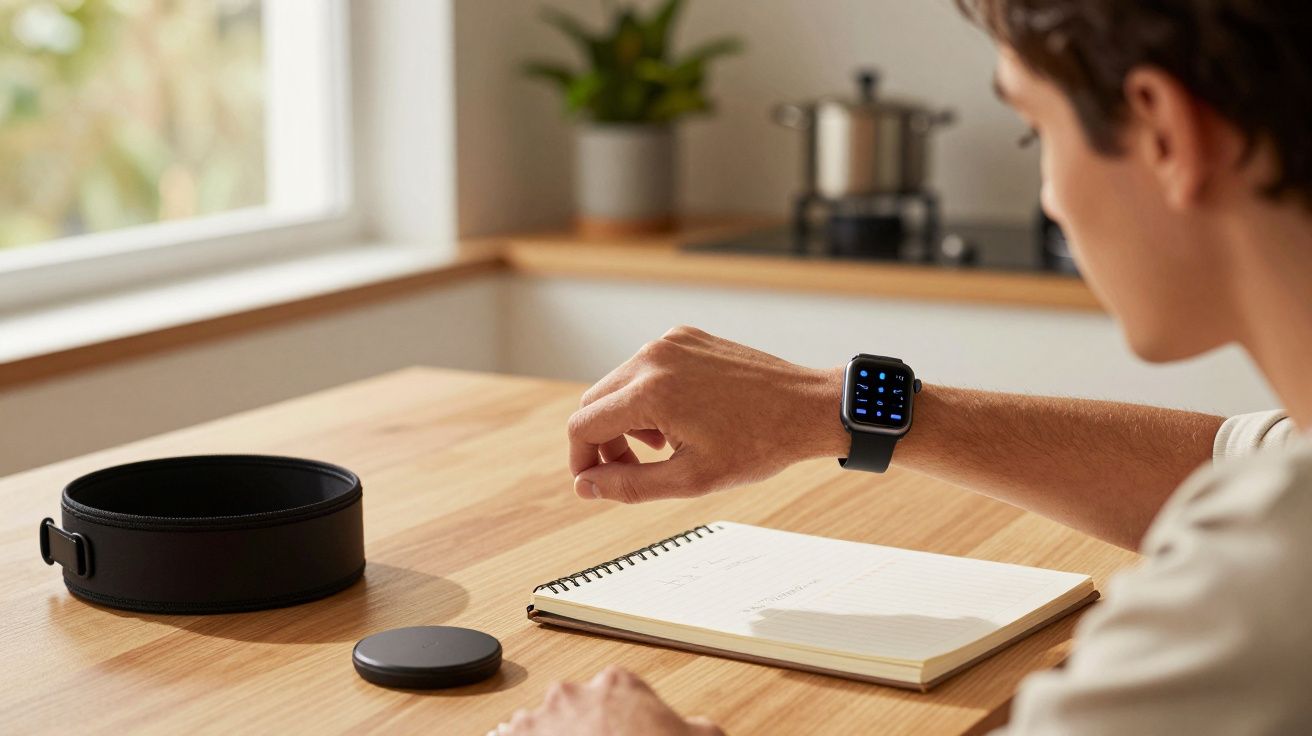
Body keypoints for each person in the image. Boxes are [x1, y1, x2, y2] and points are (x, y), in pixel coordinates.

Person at [491, 0, 1312, 733]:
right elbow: (1237, 467)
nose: (1051, 195)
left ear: (1164, 132)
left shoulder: (1252, 599)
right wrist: (825, 405)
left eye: (1036, 130)